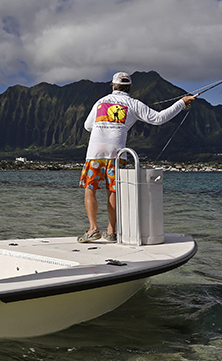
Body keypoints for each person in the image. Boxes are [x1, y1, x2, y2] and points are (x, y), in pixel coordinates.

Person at [79, 72, 196, 242]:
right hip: (117, 153)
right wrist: (181, 103)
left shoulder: (100, 102)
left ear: (112, 85)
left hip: (94, 153)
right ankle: (111, 231)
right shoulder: (133, 103)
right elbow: (158, 118)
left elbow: (88, 126)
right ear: (130, 87)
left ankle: (92, 229)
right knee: (113, 190)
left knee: (90, 190)